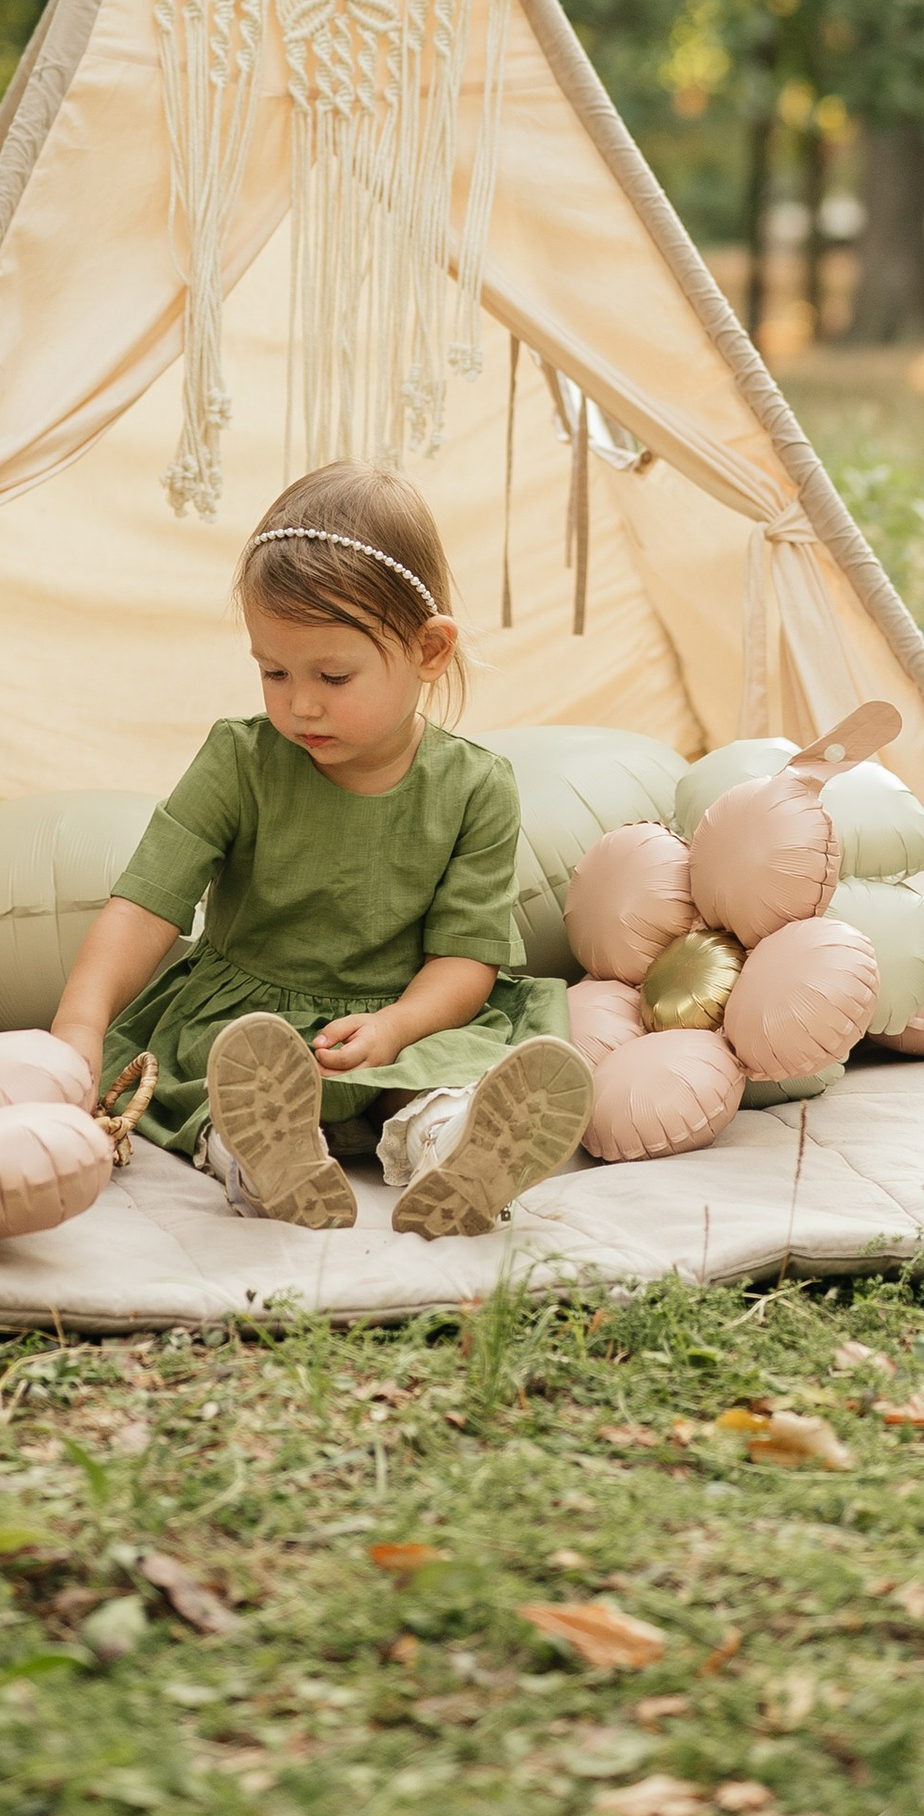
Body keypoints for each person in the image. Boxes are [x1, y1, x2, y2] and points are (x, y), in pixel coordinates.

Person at [49, 461, 592, 1239]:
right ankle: (265, 1163)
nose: (299, 703)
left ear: (429, 651)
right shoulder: (239, 762)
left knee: (445, 1079)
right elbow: (144, 908)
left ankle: (457, 1155)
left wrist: (398, 1027)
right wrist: (79, 1025)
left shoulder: (475, 788)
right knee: (227, 1085)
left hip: (408, 1022)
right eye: (273, 671)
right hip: (252, 1026)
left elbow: (466, 961)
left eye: (333, 675)